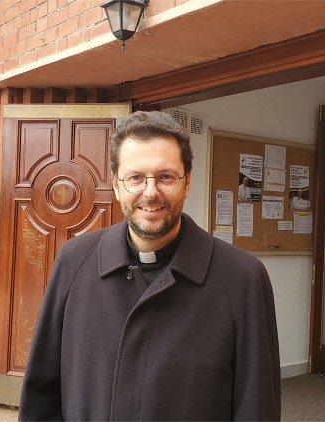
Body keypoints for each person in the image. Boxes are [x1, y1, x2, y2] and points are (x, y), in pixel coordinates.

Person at [18, 111, 281, 421]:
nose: (151, 192)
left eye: (166, 176)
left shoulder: (242, 279)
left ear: (187, 182)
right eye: (136, 177)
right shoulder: (73, 263)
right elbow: (42, 397)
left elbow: (256, 407)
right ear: (117, 185)